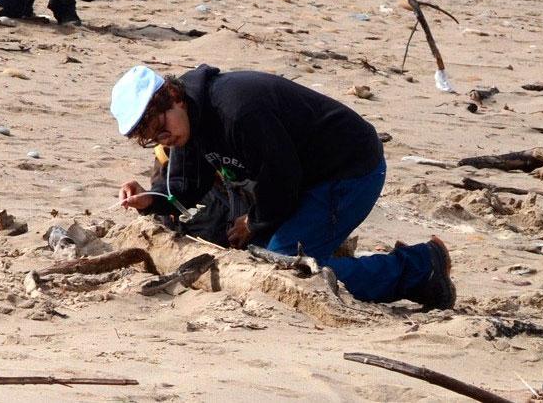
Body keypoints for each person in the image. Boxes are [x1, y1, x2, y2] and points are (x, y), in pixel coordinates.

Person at [109, 64, 456, 310]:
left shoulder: (236, 110)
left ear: (173, 95)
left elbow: (282, 179)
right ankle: (342, 253)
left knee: (287, 267)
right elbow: (186, 187)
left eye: (161, 127)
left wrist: (254, 222)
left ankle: (419, 267)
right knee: (264, 254)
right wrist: (150, 201)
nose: (163, 139)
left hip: (349, 170)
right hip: (303, 180)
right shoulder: (188, 124)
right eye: (153, 138)